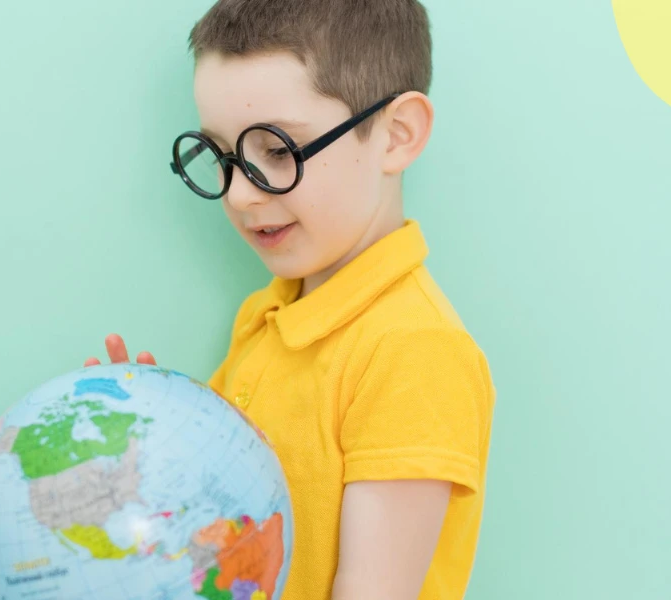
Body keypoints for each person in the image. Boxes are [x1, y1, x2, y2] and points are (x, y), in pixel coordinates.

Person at [86, 0, 496, 598]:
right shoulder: (265, 318)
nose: (240, 196)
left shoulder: (415, 351)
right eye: (221, 156)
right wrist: (153, 455)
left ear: (397, 135)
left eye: (277, 151)